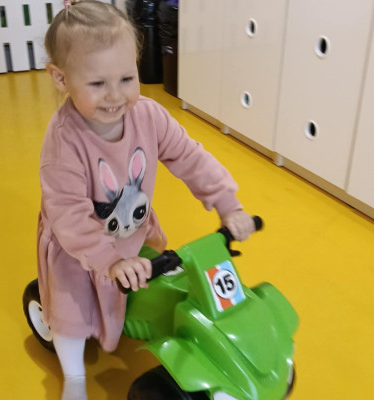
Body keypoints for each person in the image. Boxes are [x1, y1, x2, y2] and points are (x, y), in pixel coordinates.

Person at [37, 1, 256, 399]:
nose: (116, 95)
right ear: (61, 78)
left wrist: (228, 203)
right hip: (78, 247)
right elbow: (68, 214)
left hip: (133, 232)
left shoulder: (149, 116)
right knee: (72, 312)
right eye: (98, 84)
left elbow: (190, 157)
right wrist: (109, 260)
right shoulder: (64, 141)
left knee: (164, 279)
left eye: (127, 77)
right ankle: (74, 376)